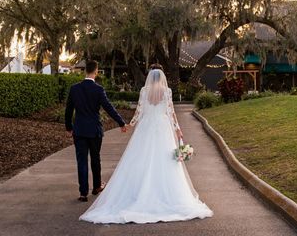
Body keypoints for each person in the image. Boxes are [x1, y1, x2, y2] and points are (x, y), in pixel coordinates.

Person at [79, 65, 213, 224]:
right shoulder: (166, 91)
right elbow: (171, 113)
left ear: (150, 78)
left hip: (146, 127)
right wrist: (178, 130)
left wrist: (130, 124)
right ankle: (167, 194)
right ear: (161, 78)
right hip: (163, 127)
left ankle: (137, 193)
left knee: (140, 158)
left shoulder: (144, 91)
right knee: (164, 160)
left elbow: (139, 112)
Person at [65, 60, 127, 202]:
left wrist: (69, 127)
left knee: (81, 161)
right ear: (96, 71)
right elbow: (109, 107)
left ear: (85, 71)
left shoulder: (75, 89)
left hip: (79, 130)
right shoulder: (98, 90)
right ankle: (97, 186)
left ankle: (83, 193)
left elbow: (69, 110)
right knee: (95, 158)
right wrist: (121, 123)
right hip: (94, 131)